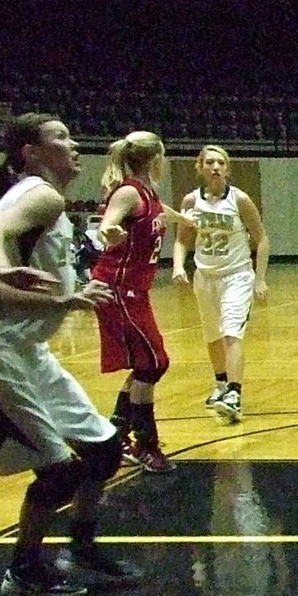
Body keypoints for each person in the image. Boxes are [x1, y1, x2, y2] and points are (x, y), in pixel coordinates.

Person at [0, 112, 143, 596]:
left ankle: (81, 546)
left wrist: (70, 291)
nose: (74, 143)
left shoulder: (42, 200)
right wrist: (53, 297)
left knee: (102, 449)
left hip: (27, 352)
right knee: (58, 471)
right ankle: (24, 571)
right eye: (59, 137)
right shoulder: (40, 193)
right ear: (31, 152)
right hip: (1, 355)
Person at [91, 130, 189, 474]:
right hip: (116, 288)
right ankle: (144, 444)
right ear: (155, 158)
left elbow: (160, 210)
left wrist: (185, 220)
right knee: (153, 363)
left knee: (149, 362)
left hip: (136, 290)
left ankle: (116, 434)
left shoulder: (148, 193)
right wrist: (110, 232)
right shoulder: (130, 192)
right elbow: (108, 223)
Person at [172, 145, 270, 424]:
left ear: (227, 169)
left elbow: (262, 239)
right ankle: (220, 385)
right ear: (200, 167)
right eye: (210, 162)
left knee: (231, 334)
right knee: (212, 335)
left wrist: (259, 278)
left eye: (221, 163)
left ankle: (235, 394)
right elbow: (181, 240)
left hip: (237, 275)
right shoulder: (191, 201)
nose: (215, 167)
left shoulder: (240, 200)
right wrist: (179, 265)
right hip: (205, 276)